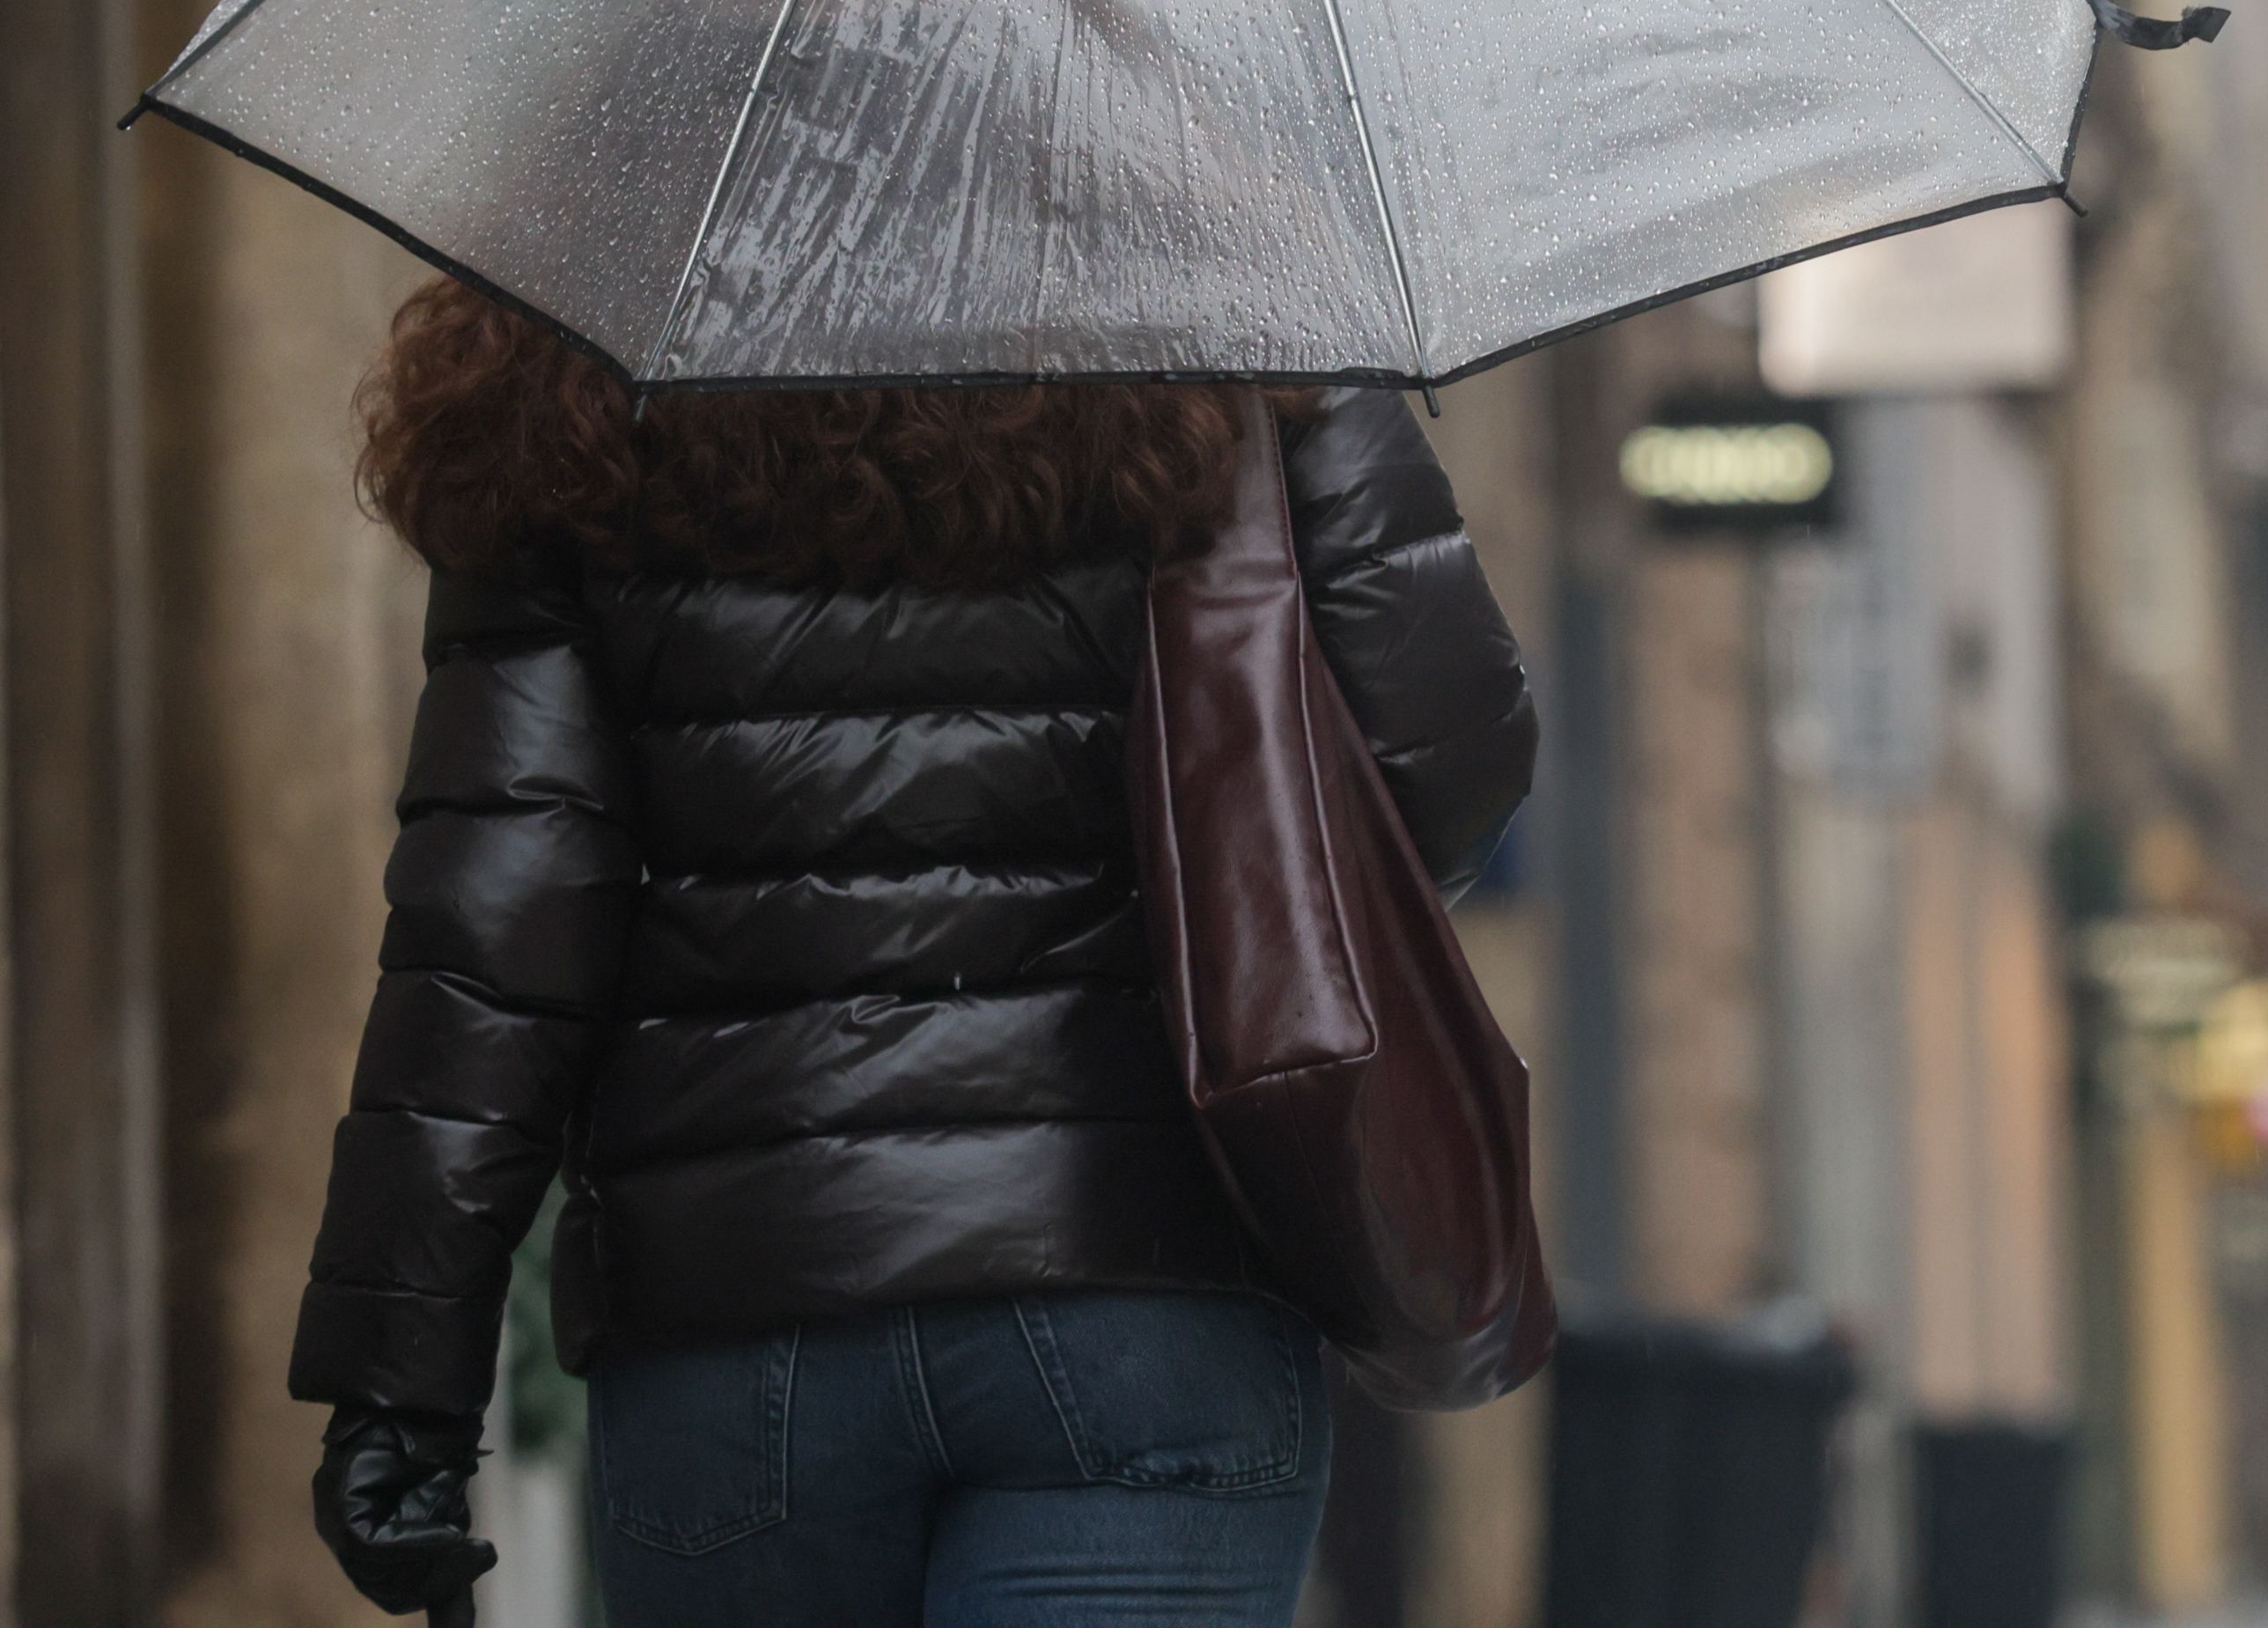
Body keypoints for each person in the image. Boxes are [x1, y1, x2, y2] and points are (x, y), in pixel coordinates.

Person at [294, 277, 1537, 1627]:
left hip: (740, 1317)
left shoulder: (580, 332)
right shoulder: (1219, 292)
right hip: (1145, 1274)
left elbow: (492, 933)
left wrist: (399, 1379)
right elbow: (1445, 754)